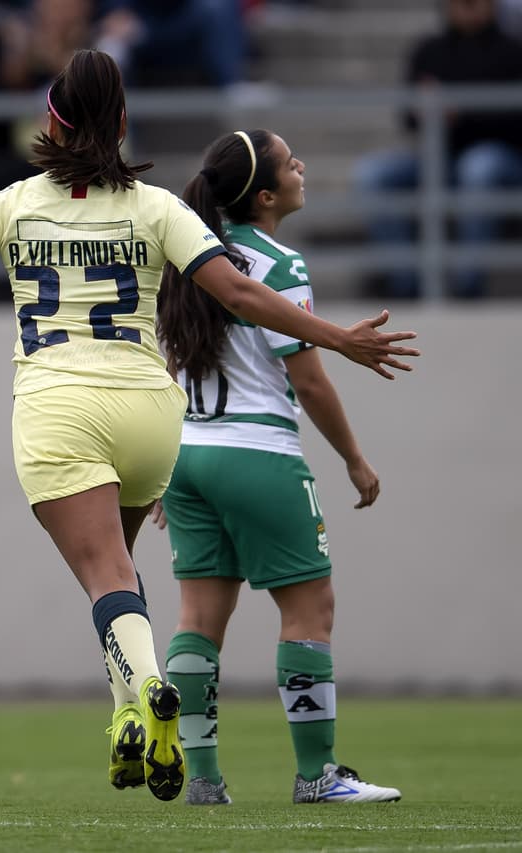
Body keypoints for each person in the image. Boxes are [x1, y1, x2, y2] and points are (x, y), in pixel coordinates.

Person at [0, 49, 418, 802]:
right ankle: (129, 716)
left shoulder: (16, 203)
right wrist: (339, 337)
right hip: (150, 413)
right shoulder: (160, 208)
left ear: (48, 123)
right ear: (123, 124)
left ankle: (148, 689)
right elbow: (241, 295)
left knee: (106, 582)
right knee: (119, 580)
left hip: (60, 408)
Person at [156, 129, 403, 806]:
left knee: (199, 615)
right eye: (290, 161)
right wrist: (354, 458)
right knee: (309, 606)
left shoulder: (187, 258)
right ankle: (317, 775)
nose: (302, 167)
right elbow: (313, 382)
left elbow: (166, 366)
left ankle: (202, 779)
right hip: (257, 453)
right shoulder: (278, 263)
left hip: (186, 452)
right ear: (264, 196)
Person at [352, 0, 522, 299]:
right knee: (373, 174)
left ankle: (469, 285)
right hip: (438, 155)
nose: (468, 7)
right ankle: (406, 282)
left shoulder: (513, 50)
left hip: (500, 157)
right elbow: (407, 118)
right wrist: (427, 110)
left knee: (479, 169)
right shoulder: (429, 50)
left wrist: (463, 114)